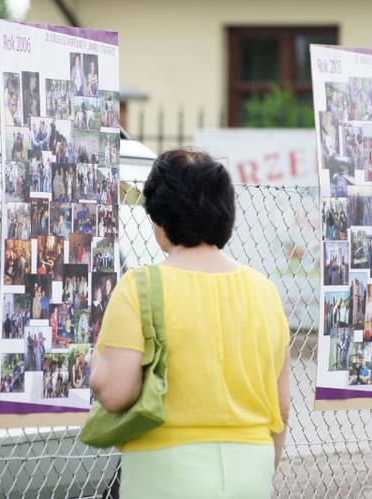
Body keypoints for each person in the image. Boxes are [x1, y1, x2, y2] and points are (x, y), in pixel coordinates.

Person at [90, 149, 291, 498]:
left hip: (166, 471)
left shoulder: (139, 288)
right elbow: (282, 404)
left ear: (160, 216)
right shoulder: (265, 292)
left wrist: (94, 360)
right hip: (252, 467)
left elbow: (115, 390)